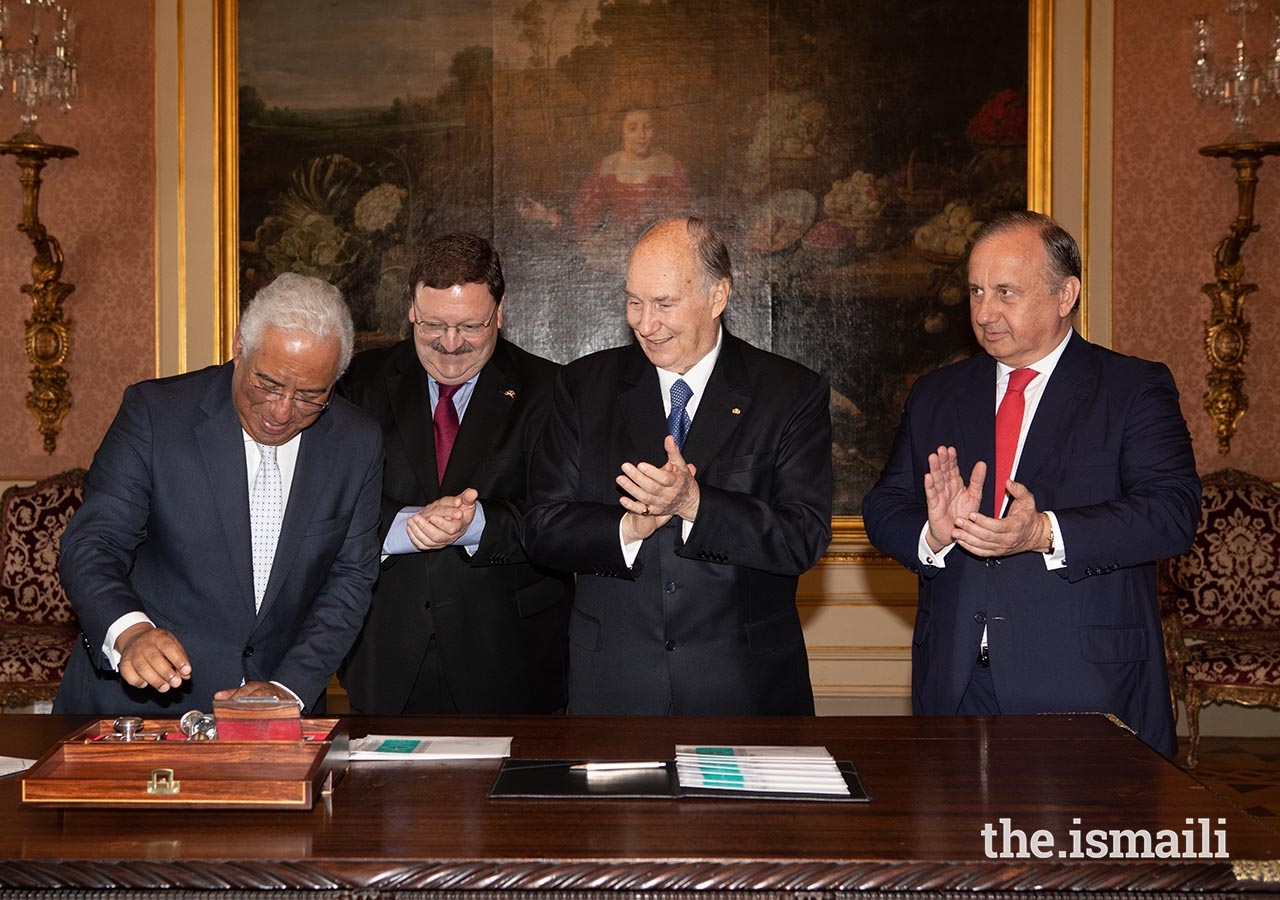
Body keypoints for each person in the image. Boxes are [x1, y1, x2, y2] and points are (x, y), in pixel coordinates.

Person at [861, 210, 1200, 758]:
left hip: (1086, 682)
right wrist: (933, 534)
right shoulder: (938, 393)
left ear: (1065, 295)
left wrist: (1045, 531)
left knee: (1079, 844)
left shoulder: (1132, 388)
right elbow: (884, 505)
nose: (984, 312)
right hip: (955, 682)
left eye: (1005, 293)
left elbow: (1172, 514)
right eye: (974, 291)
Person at [523, 216, 832, 715]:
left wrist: (695, 504)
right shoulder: (584, 388)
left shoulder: (789, 393)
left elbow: (802, 537)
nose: (646, 324)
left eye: (664, 304)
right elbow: (541, 527)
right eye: (634, 302)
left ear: (718, 297)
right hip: (615, 687)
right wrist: (628, 525)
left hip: (743, 690)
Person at [55, 273, 383, 717]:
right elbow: (93, 543)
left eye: (310, 395)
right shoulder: (156, 415)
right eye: (267, 384)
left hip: (277, 716)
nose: (282, 412)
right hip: (139, 706)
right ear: (239, 349)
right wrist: (131, 633)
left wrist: (289, 689)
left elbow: (349, 581)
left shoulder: (356, 442)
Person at [338, 232, 573, 714]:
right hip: (385, 659)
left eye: (469, 326)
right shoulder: (360, 383)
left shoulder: (550, 390)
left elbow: (560, 516)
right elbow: (327, 502)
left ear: (499, 314)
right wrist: (404, 527)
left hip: (510, 662)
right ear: (411, 310)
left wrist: (476, 524)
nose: (450, 344)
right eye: (433, 326)